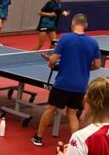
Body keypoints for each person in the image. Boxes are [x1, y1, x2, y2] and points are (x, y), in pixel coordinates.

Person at [31, 13, 102, 147]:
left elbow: (53, 60)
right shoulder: (93, 42)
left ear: (72, 24)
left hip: (63, 83)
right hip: (80, 85)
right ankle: (75, 143)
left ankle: (38, 138)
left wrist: (51, 64)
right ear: (86, 25)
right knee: (72, 113)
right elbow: (97, 65)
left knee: (50, 109)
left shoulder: (65, 39)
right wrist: (84, 68)